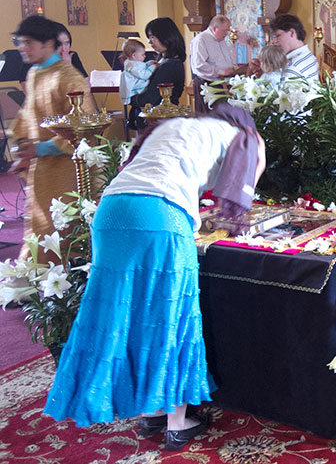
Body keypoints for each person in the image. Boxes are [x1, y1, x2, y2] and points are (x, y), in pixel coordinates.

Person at [44, 100, 267, 451]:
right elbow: (244, 185)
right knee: (170, 315)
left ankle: (149, 410)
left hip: (111, 212)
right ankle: (177, 423)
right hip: (160, 217)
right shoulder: (244, 136)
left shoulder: (173, 126)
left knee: (130, 312)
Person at [9, 16, 94, 270]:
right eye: (20, 42)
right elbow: (28, 114)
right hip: (43, 167)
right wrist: (21, 147)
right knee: (37, 222)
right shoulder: (35, 73)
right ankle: (35, 281)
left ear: (48, 44)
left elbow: (84, 128)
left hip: (70, 168)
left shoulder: (69, 78)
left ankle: (68, 286)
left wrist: (42, 148)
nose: (23, 48)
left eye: (28, 42)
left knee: (62, 224)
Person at [130, 17, 187, 130]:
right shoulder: (163, 61)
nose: (149, 42)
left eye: (152, 37)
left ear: (165, 36)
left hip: (159, 121)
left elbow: (150, 99)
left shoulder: (170, 65)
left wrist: (131, 98)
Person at [190, 15, 237, 114]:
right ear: (214, 28)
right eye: (224, 31)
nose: (226, 34)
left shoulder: (222, 40)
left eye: (227, 30)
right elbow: (199, 65)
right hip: (207, 85)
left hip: (223, 83)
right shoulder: (201, 39)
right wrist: (222, 71)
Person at [270, 14, 318, 80]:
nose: (273, 41)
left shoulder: (293, 68)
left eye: (277, 36)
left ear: (292, 33)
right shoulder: (307, 55)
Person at [119, 39, 158, 105]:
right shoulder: (133, 66)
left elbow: (143, 66)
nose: (145, 56)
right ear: (134, 55)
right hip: (136, 89)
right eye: (142, 54)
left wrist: (150, 63)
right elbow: (144, 75)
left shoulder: (132, 63)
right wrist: (154, 67)